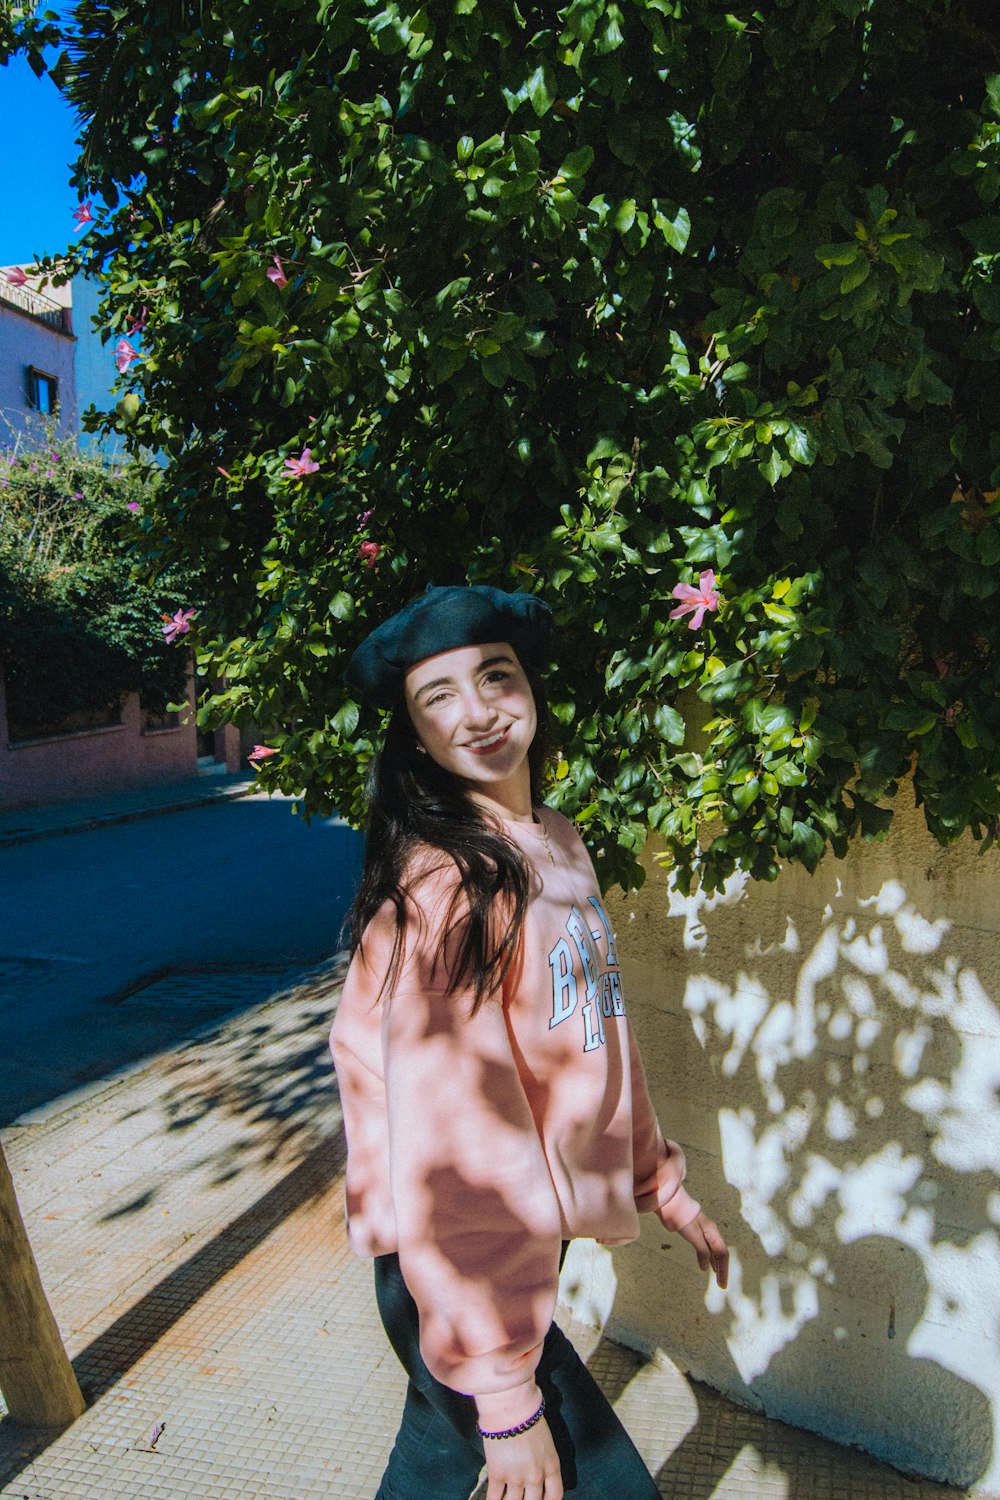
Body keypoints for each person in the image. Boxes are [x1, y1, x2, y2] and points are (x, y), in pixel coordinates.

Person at [331, 584, 729, 1500]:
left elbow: (595, 1043)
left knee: (433, 1463)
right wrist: (507, 1398)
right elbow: (456, 1143)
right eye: (438, 697)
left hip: (503, 1247)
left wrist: (658, 1184)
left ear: (531, 689)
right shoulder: (449, 890)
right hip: (458, 1250)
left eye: (495, 677)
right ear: (416, 734)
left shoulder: (551, 839)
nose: (475, 713)